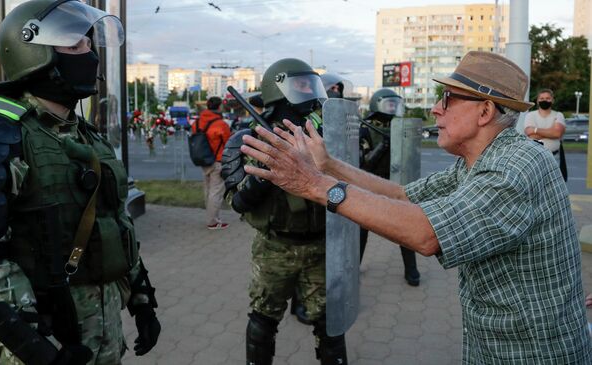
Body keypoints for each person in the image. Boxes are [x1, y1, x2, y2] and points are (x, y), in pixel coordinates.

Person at [240, 51, 592, 363]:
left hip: (529, 352)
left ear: (485, 110)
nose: (435, 108)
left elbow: (427, 235)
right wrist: (329, 166)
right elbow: (404, 197)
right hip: (495, 341)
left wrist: (314, 185)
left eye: (448, 98)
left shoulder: (515, 166)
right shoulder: (481, 158)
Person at [0, 1, 161, 364]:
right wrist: (38, 348)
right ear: (33, 52)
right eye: (74, 45)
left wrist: (142, 300)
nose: (88, 54)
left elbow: (115, 223)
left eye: (89, 44)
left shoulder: (90, 137)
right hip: (44, 333)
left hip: (105, 327)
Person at [223, 58, 348, 365]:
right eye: (301, 85)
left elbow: (351, 185)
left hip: (320, 245)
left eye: (311, 84)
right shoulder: (248, 140)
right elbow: (236, 202)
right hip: (274, 248)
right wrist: (267, 168)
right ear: (279, 90)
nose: (309, 92)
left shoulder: (322, 142)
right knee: (263, 321)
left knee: (330, 326)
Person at [359, 88, 420, 286]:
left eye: (396, 104)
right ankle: (355, 266)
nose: (393, 107)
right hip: (371, 185)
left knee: (406, 227)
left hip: (396, 186)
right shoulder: (366, 129)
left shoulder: (401, 127)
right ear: (378, 104)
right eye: (389, 104)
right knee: (362, 228)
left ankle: (411, 270)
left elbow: (410, 157)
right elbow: (364, 163)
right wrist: (383, 145)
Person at [195, 96, 231, 230]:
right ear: (219, 106)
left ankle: (211, 216)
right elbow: (229, 141)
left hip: (203, 159)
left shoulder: (198, 122)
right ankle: (213, 221)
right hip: (217, 160)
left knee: (208, 189)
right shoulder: (220, 124)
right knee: (216, 191)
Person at [524, 88, 567, 178]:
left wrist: (535, 130)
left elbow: (557, 133)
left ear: (552, 100)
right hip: (534, 158)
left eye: (548, 98)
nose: (545, 100)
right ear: (537, 101)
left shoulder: (558, 115)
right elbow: (529, 133)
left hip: (554, 158)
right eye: (542, 98)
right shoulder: (530, 115)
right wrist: (551, 131)